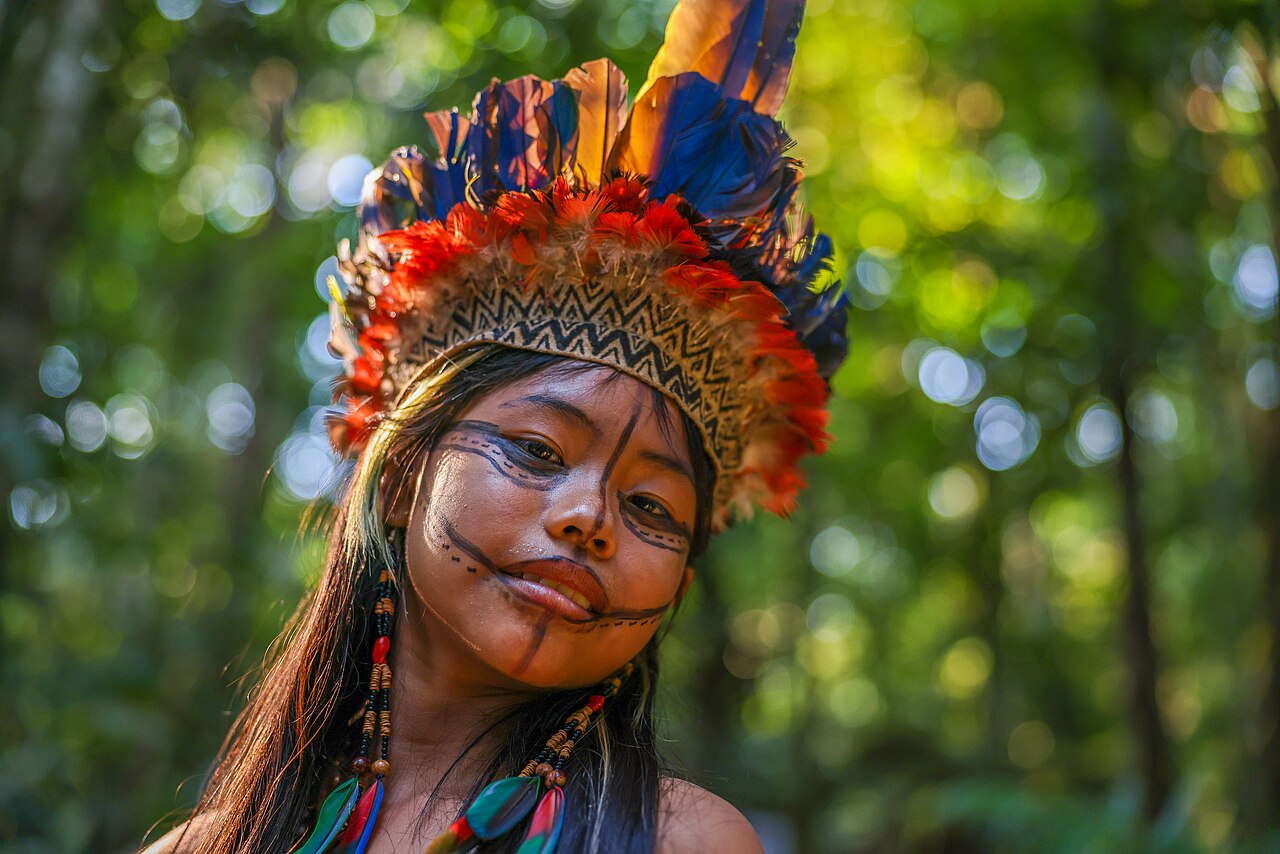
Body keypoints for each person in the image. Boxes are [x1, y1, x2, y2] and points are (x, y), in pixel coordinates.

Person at [144, 0, 848, 850]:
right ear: (402, 478)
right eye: (538, 450)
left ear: (678, 587)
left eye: (651, 507)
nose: (589, 518)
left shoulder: (687, 840)